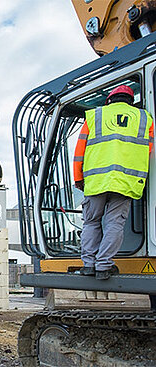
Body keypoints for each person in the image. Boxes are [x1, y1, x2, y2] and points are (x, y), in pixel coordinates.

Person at [74, 84, 153, 280]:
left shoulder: (94, 116)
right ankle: (104, 265)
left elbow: (79, 152)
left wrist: (78, 179)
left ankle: (89, 265)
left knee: (91, 222)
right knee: (114, 224)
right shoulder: (145, 119)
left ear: (109, 100)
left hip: (96, 181)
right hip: (126, 182)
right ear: (131, 101)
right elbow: (149, 150)